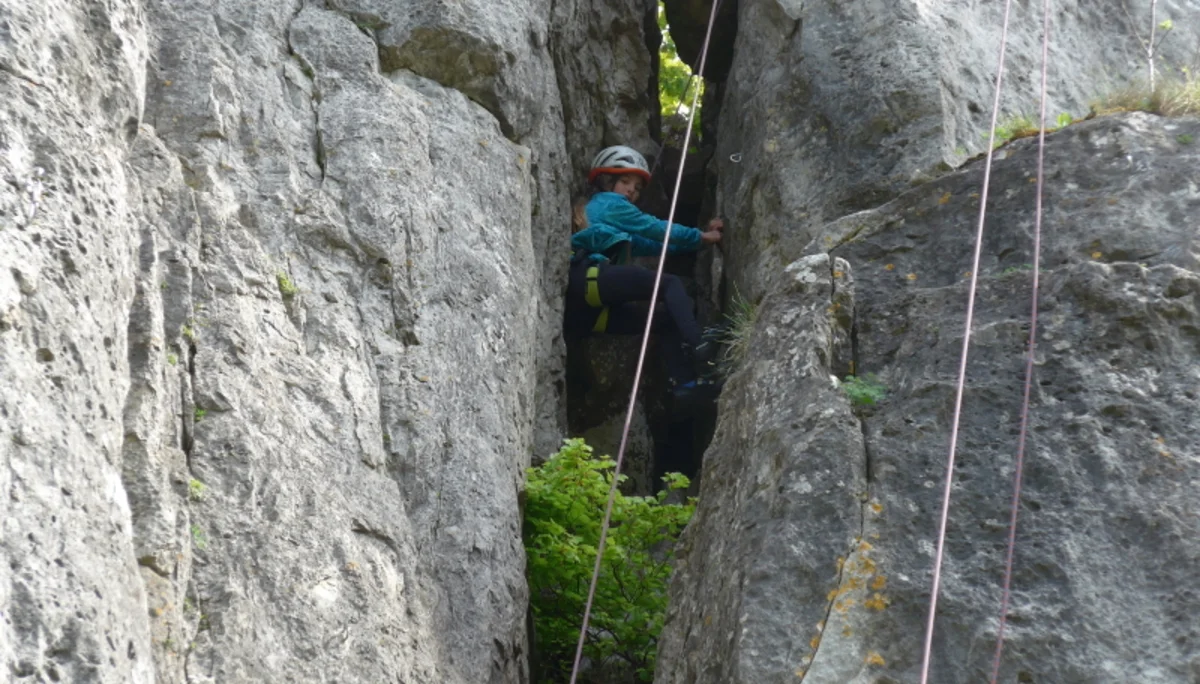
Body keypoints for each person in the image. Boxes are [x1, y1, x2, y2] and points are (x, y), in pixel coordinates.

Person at [565, 145, 724, 405]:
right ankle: (699, 344)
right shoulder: (608, 203)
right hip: (588, 279)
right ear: (607, 181)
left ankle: (685, 386)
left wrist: (699, 239)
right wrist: (702, 236)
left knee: (663, 322)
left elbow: (655, 245)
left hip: (585, 313)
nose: (631, 190)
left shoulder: (606, 220)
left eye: (637, 187)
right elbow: (652, 227)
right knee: (669, 283)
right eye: (625, 181)